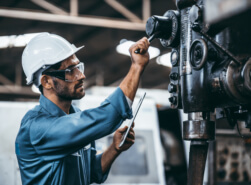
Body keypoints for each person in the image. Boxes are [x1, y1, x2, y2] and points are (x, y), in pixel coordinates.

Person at [15, 32, 150, 185]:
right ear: (46, 82)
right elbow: (107, 116)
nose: (81, 76)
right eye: (70, 71)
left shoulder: (75, 116)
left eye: (78, 67)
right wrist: (136, 67)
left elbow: (91, 172)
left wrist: (114, 148)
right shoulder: (37, 127)